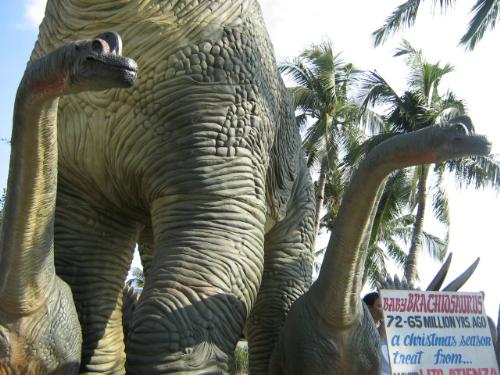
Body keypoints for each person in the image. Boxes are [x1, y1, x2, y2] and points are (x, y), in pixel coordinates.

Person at [363, 292, 391, 375]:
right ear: (368, 308)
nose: (383, 309)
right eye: (379, 306)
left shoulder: (384, 327)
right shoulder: (362, 329)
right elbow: (376, 342)